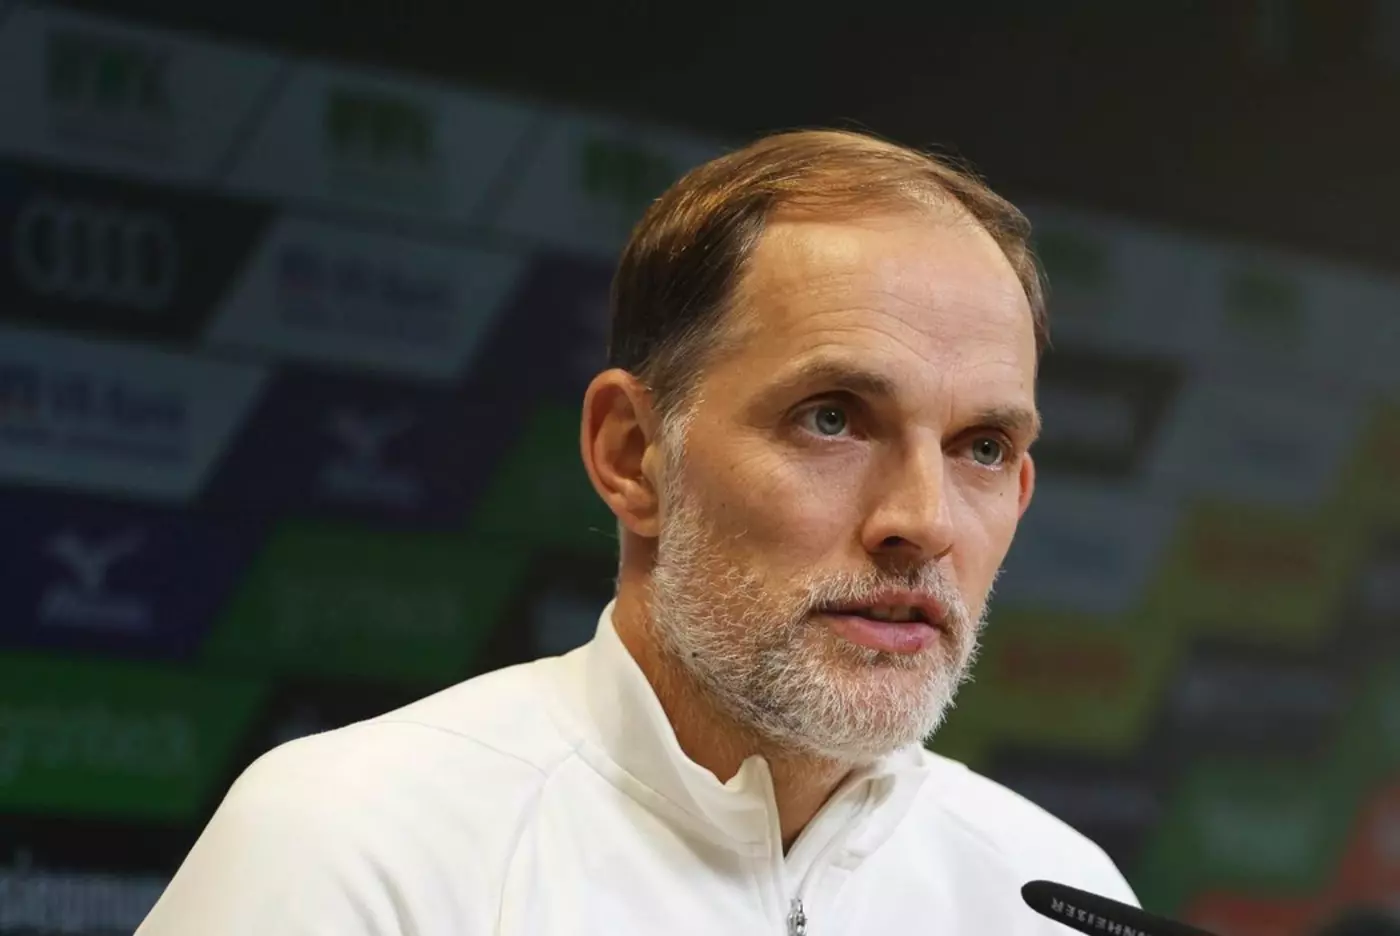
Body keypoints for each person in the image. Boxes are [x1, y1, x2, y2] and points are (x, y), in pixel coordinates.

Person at [137, 129, 1138, 935]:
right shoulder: (351, 843)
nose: (920, 520)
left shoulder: (1058, 895)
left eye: (981, 447)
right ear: (631, 453)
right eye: (831, 418)